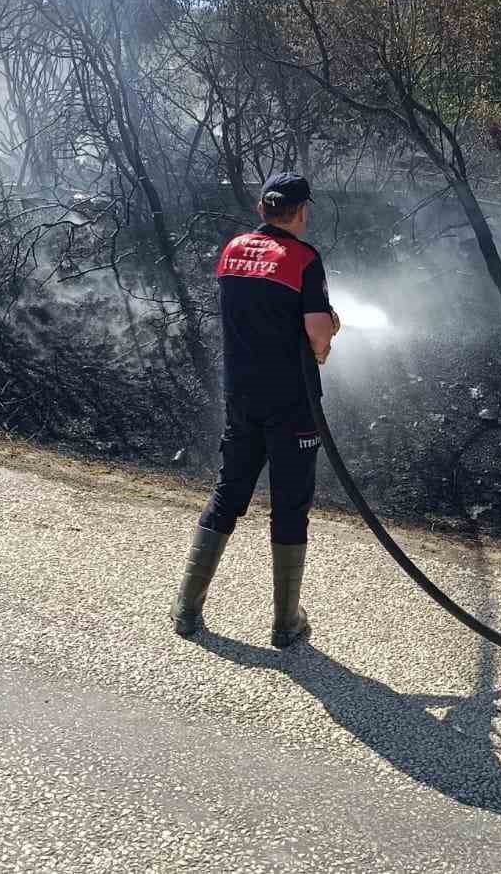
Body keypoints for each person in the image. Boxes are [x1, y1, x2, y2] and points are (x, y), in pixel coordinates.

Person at [170, 171, 339, 647]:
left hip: (241, 396)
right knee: (289, 505)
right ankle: (285, 624)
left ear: (263, 209)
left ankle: (187, 607)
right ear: (302, 211)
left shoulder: (232, 250)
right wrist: (323, 346)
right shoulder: (303, 259)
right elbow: (317, 332)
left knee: (229, 492)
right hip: (291, 402)